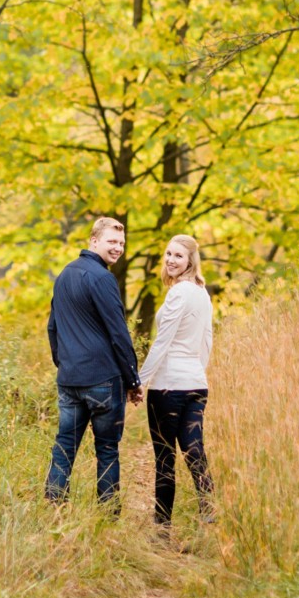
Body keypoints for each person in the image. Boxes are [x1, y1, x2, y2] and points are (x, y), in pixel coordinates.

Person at [45, 216, 143, 510]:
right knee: (108, 449)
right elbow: (118, 333)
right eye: (112, 241)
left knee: (64, 446)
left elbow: (53, 328)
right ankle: (108, 515)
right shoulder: (102, 278)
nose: (118, 248)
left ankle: (54, 507)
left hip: (70, 378)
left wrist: (64, 363)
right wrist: (133, 380)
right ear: (94, 241)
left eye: (122, 243)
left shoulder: (64, 275)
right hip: (102, 380)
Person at [139, 234, 215, 529]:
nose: (171, 260)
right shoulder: (202, 292)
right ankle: (208, 504)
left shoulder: (179, 293)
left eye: (178, 256)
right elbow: (207, 339)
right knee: (194, 447)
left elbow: (162, 342)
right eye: (168, 254)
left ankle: (162, 529)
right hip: (196, 383)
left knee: (165, 458)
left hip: (168, 386)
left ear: (190, 262)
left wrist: (140, 382)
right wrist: (198, 371)